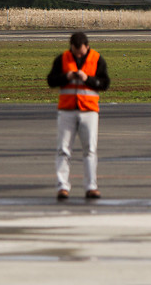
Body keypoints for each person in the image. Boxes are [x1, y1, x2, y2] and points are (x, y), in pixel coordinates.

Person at [47, 31, 110, 201]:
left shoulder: (97, 59)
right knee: (63, 150)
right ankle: (62, 187)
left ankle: (91, 187)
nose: (79, 55)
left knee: (90, 149)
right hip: (67, 111)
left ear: (87, 47)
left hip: (89, 111)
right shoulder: (63, 59)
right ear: (71, 48)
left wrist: (88, 79)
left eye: (81, 52)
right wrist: (65, 77)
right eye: (76, 52)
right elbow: (51, 80)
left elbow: (104, 83)